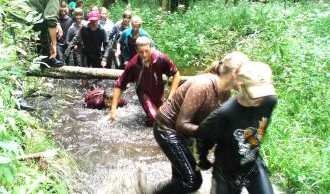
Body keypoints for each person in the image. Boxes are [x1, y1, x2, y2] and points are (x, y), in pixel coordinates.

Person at [153, 51, 250, 194]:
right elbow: (182, 124)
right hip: (167, 129)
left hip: (187, 132)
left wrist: (203, 157)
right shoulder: (202, 86)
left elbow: (207, 124)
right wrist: (212, 133)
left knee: (181, 178)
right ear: (235, 74)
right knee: (192, 181)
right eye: (245, 76)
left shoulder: (225, 93)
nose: (247, 81)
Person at [195, 61, 277, 194]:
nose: (261, 98)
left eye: (264, 92)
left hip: (252, 164)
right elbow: (203, 136)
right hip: (226, 172)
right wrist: (203, 160)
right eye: (256, 93)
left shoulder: (270, 101)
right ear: (240, 86)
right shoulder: (224, 114)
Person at [8, 0, 79, 67]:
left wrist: (57, 23)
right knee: (21, 47)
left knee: (46, 26)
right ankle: (18, 69)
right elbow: (50, 19)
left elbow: (47, 14)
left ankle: (47, 58)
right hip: (20, 15)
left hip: (20, 12)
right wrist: (54, 43)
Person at [110, 36, 181, 126]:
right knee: (155, 119)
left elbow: (176, 74)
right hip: (143, 92)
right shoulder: (133, 64)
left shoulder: (160, 58)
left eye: (146, 51)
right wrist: (113, 110)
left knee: (164, 116)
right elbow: (119, 85)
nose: (144, 55)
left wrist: (171, 97)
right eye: (141, 52)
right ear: (136, 50)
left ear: (150, 47)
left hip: (158, 90)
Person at [76, 10, 109, 87]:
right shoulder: (84, 28)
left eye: (95, 20)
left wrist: (104, 59)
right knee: (84, 76)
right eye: (92, 20)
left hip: (97, 54)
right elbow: (78, 38)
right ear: (89, 20)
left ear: (98, 19)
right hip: (85, 53)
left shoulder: (102, 30)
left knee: (98, 78)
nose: (93, 22)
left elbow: (107, 45)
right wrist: (78, 45)